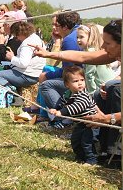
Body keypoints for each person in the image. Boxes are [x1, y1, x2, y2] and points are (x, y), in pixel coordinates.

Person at [32, 19, 121, 168]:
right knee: (102, 94)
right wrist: (49, 54)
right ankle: (107, 149)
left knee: (116, 90)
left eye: (107, 43)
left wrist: (109, 118)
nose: (103, 46)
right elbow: (83, 57)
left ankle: (117, 152)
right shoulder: (114, 52)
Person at [38, 12, 82, 127]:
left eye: (58, 25)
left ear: (65, 27)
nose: (55, 28)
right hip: (82, 76)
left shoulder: (69, 39)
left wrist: (47, 76)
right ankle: (42, 111)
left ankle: (62, 116)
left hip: (80, 80)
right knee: (47, 70)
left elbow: (68, 71)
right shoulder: (79, 33)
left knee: (46, 84)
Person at [48, 66, 98, 164]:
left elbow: (77, 107)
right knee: (75, 141)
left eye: (82, 80)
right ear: (67, 84)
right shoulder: (68, 95)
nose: (80, 83)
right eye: (75, 81)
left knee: (87, 143)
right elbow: (62, 104)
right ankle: (80, 157)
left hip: (90, 124)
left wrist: (61, 112)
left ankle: (91, 160)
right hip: (80, 124)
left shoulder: (83, 95)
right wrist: (56, 109)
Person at [0, 21, 45, 92]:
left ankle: (12, 94)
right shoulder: (36, 37)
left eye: (16, 36)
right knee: (2, 64)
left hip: (28, 75)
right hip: (34, 72)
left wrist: (11, 57)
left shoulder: (27, 44)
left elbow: (23, 63)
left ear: (20, 33)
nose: (17, 39)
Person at [76, 24, 116, 94]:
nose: (78, 40)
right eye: (77, 37)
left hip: (105, 87)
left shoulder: (90, 52)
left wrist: (92, 94)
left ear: (91, 37)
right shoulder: (96, 49)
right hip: (111, 83)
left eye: (81, 37)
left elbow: (89, 75)